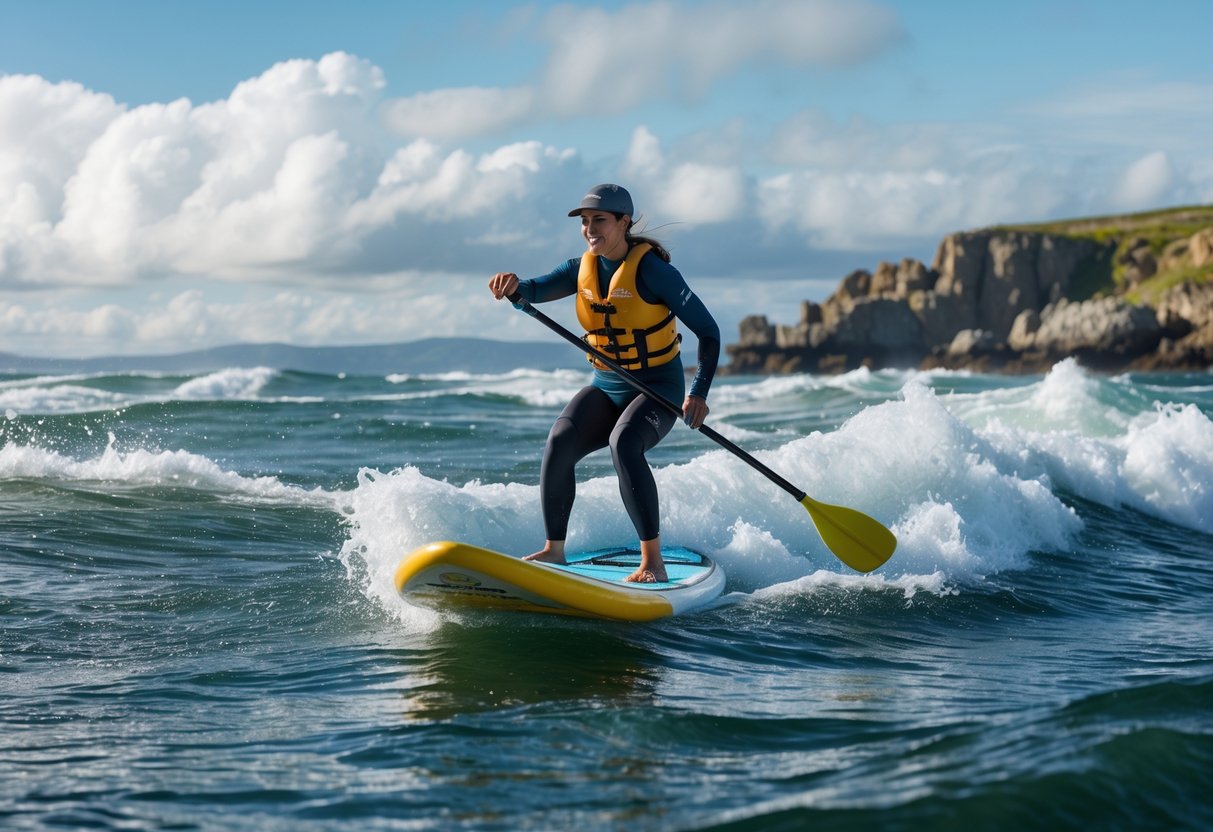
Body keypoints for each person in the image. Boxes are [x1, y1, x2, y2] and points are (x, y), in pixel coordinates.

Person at [488, 184, 720, 583]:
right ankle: (554, 551)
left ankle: (653, 562)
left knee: (624, 443)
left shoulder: (654, 272)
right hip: (609, 385)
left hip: (657, 389)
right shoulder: (581, 269)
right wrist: (514, 288)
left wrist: (698, 393)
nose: (589, 229)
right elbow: (536, 289)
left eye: (599, 220)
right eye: (584, 222)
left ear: (623, 222)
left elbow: (709, 332)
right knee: (560, 439)